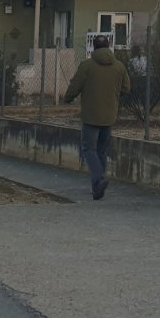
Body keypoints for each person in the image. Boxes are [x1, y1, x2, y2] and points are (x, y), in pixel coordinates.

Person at [62, 35, 131, 201]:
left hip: (91, 115)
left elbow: (75, 86)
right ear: (109, 46)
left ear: (93, 48)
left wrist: (68, 98)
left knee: (88, 149)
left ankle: (99, 179)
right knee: (101, 150)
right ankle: (97, 189)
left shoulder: (86, 66)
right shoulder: (119, 67)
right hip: (109, 115)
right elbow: (127, 88)